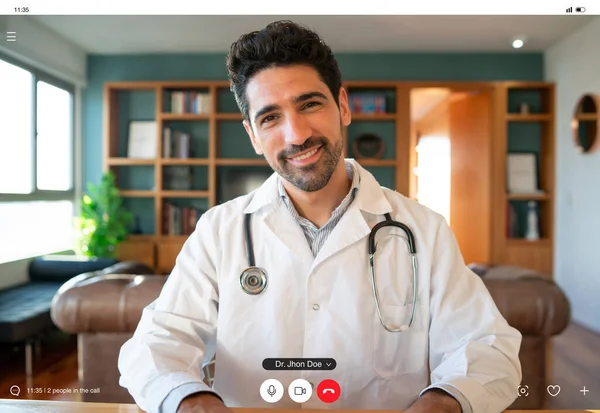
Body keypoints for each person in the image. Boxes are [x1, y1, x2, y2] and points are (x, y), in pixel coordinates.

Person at [118, 20, 522, 413]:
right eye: (270, 117)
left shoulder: (424, 230)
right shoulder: (218, 231)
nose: (296, 134)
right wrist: (191, 402)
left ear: (342, 106)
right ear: (253, 136)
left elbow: (486, 347)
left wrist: (444, 402)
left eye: (309, 104)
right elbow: (157, 343)